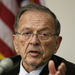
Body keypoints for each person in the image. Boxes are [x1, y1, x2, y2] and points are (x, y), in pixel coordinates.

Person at [1, 3, 75, 75]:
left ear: (57, 43)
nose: (34, 41)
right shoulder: (3, 69)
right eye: (27, 33)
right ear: (15, 42)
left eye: (44, 34)